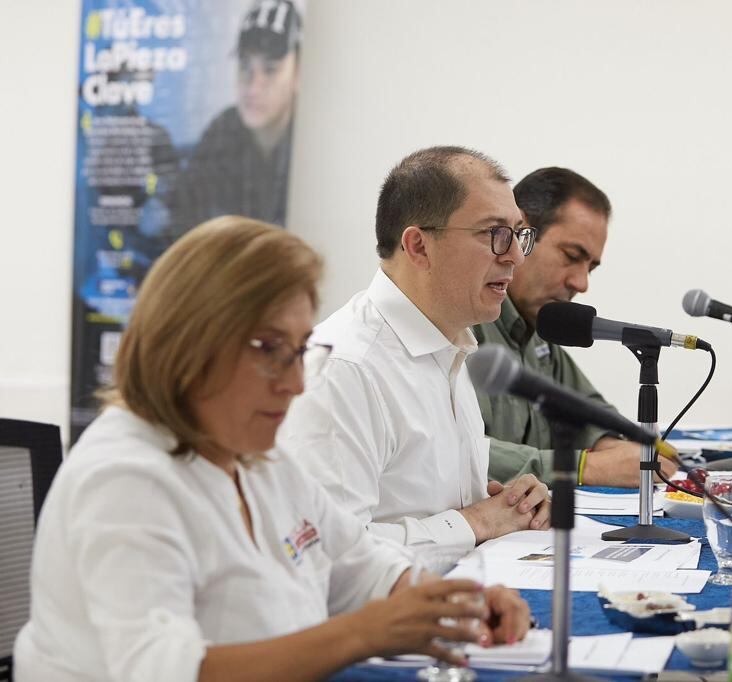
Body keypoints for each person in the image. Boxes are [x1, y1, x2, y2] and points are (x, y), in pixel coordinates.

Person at [14, 217, 530, 682]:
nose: (295, 383)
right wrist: (362, 634)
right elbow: (162, 670)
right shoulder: (125, 478)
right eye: (269, 350)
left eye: (301, 350)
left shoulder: (257, 457)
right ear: (187, 343)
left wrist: (456, 603)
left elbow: (357, 564)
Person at [280, 146, 551, 550]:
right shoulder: (344, 367)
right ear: (419, 246)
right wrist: (473, 523)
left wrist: (508, 504)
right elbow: (326, 551)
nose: (515, 256)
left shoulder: (451, 346)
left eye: (518, 235)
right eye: (495, 234)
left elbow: (428, 507)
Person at [473, 167, 678, 487]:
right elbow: (451, 455)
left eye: (590, 268)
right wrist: (584, 467)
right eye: (571, 256)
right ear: (519, 232)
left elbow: (585, 408)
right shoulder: (463, 322)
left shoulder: (538, 327)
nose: (581, 284)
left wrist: (610, 444)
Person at [168, 0, 301, 236]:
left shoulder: (311, 143)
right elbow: (181, 215)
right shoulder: (222, 132)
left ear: (298, 73)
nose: (253, 86)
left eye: (270, 69)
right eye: (245, 67)